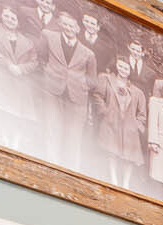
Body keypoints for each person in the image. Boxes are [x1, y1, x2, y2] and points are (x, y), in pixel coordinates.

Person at [40, 8, 98, 171]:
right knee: (52, 129)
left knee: (73, 137)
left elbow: (93, 81)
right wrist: (50, 73)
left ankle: (70, 170)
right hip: (52, 92)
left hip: (77, 99)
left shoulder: (89, 53)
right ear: (60, 24)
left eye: (72, 26)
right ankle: (50, 166)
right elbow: (41, 57)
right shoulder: (48, 36)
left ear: (78, 29)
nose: (68, 28)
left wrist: (80, 84)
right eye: (65, 24)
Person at [0, 5, 41, 153]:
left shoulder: (28, 42)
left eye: (13, 18)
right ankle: (1, 141)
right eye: (6, 16)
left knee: (17, 117)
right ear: (1, 16)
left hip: (19, 82)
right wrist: (8, 65)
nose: (9, 20)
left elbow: (34, 62)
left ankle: (14, 145)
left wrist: (21, 69)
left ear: (18, 22)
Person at [94, 55, 147, 190]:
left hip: (129, 128)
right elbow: (97, 96)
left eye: (126, 68)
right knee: (112, 152)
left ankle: (125, 184)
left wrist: (136, 125)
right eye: (121, 66)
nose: (123, 70)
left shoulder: (137, 92)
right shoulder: (106, 79)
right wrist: (105, 111)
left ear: (130, 71)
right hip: (112, 122)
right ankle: (114, 180)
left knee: (129, 156)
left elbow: (142, 114)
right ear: (117, 66)